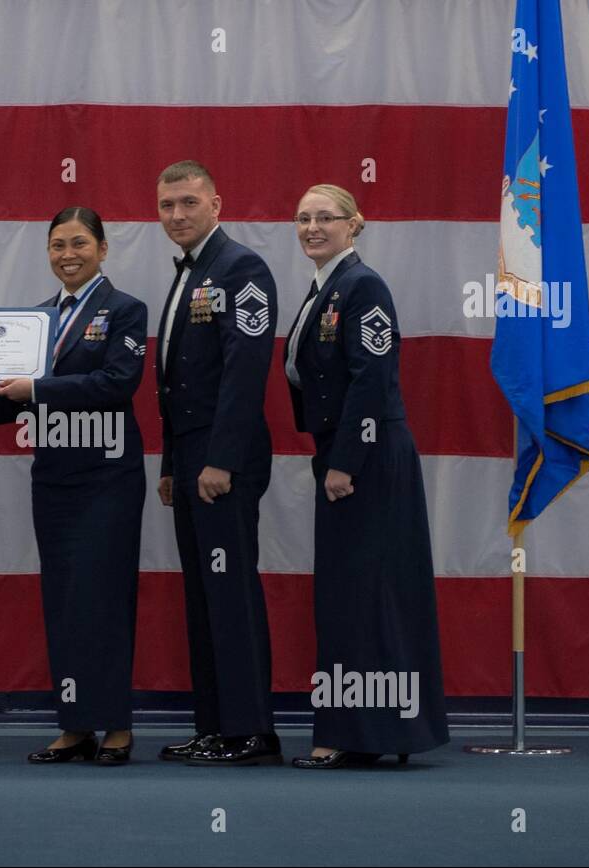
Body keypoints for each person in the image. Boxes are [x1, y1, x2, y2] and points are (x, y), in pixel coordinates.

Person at [0, 207, 147, 764]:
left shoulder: (126, 310)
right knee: (64, 602)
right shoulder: (36, 319)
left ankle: (116, 726)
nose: (67, 254)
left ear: (104, 248)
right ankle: (74, 725)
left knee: (104, 600)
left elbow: (117, 383)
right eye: (57, 245)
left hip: (108, 477)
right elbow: (11, 393)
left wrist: (37, 389)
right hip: (55, 479)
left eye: (79, 243)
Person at [282, 184, 450, 768]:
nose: (311, 227)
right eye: (302, 218)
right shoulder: (325, 287)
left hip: (368, 458)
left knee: (369, 594)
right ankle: (366, 732)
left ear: (356, 224)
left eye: (325, 217)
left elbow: (371, 379)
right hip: (344, 452)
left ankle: (361, 733)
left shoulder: (362, 285)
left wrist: (345, 462)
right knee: (349, 595)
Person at [153, 161, 282, 765]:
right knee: (204, 596)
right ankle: (214, 726)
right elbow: (178, 382)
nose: (176, 215)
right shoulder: (189, 271)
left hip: (224, 461)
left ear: (216, 204)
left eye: (187, 202)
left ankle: (252, 731)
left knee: (230, 592)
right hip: (194, 458)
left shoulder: (241, 269)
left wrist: (220, 460)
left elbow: (244, 371)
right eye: (166, 205)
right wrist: (172, 464)